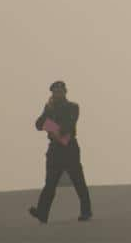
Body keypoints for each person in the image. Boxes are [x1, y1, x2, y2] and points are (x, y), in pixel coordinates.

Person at [29, 81, 92, 224]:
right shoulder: (49, 108)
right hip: (55, 150)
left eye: (60, 91)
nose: (57, 94)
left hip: (69, 148)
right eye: (55, 92)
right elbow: (38, 124)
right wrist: (49, 116)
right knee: (50, 183)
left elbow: (67, 127)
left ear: (65, 92)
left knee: (78, 181)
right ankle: (42, 213)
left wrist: (50, 125)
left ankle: (86, 211)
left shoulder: (73, 107)